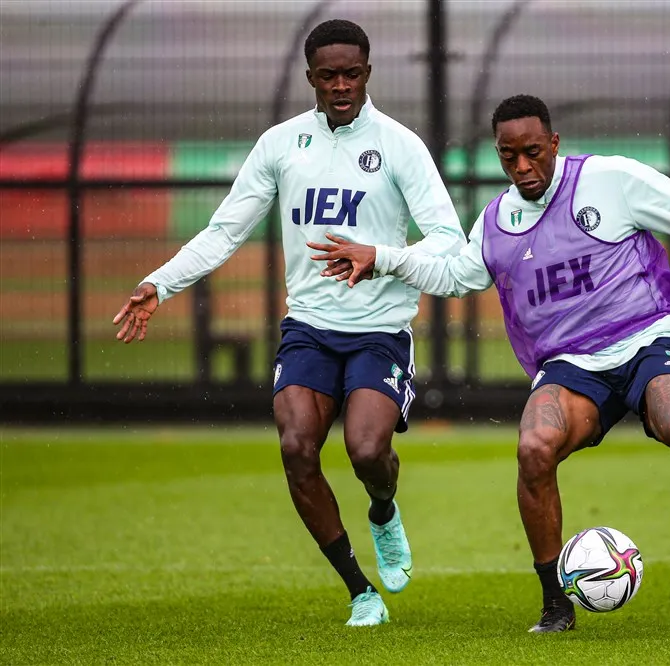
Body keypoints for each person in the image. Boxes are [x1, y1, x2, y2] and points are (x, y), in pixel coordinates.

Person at [308, 94, 670, 633]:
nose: (522, 167)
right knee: (533, 448)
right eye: (508, 156)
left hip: (646, 337)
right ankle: (555, 603)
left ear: (554, 142)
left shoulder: (608, 180)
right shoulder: (496, 221)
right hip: (571, 365)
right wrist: (381, 258)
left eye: (533, 152)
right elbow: (455, 275)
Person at [112, 20, 466, 626]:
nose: (340, 85)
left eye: (351, 73)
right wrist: (158, 283)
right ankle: (360, 591)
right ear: (311, 78)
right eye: (327, 75)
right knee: (298, 447)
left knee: (366, 449)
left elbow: (449, 243)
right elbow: (225, 230)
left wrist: (380, 258)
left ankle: (384, 509)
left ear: (368, 73)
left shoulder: (401, 146)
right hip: (307, 327)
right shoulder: (280, 145)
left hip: (379, 329)